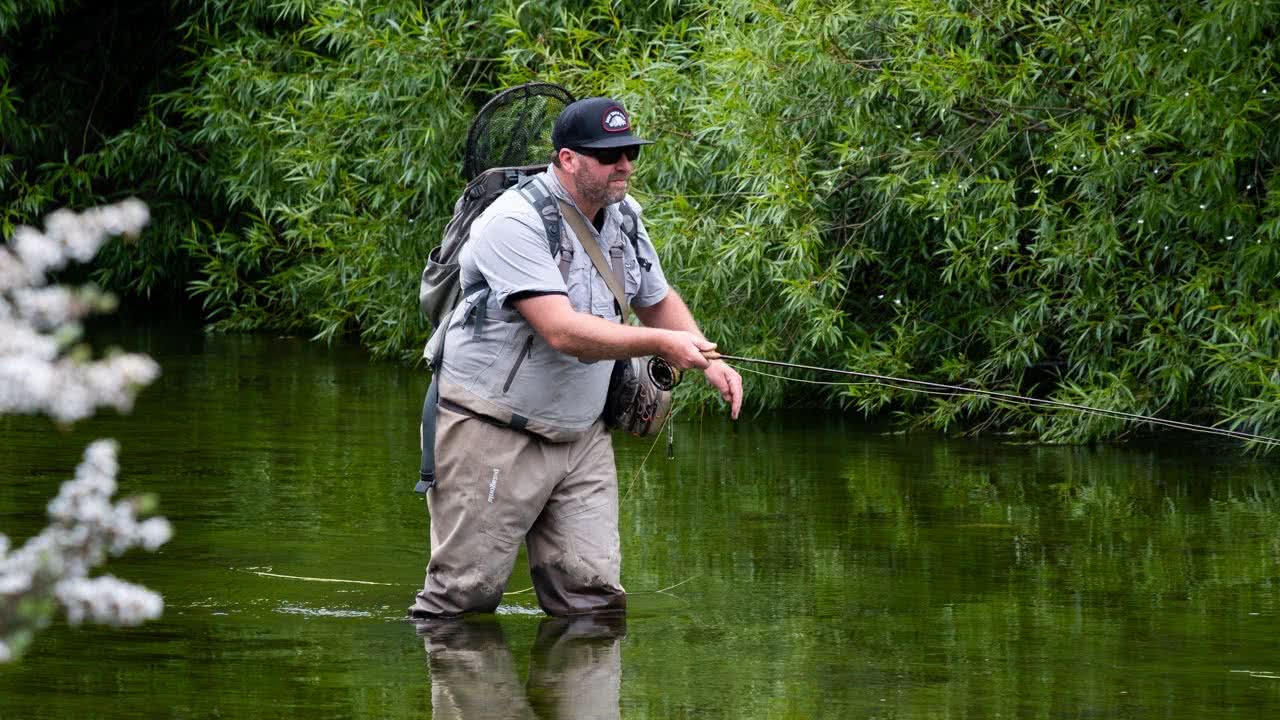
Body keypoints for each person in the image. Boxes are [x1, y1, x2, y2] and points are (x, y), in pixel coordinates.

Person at [409, 96, 743, 618]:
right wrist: (660, 345)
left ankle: (579, 695)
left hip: (582, 435)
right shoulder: (511, 220)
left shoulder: (625, 217)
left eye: (630, 152)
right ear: (567, 159)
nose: (625, 165)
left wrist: (709, 357)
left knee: (593, 608)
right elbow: (561, 332)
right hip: (491, 428)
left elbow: (654, 299)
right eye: (610, 155)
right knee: (460, 606)